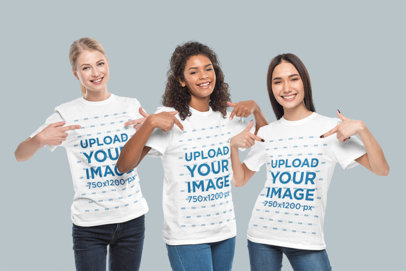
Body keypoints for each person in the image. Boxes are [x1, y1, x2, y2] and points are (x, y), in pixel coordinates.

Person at [229, 53, 389, 271]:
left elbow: (381, 169)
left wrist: (362, 128)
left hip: (306, 240)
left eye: (293, 78)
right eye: (278, 81)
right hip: (262, 234)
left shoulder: (329, 129)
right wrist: (232, 146)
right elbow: (240, 180)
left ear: (304, 81)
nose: (286, 88)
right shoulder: (267, 132)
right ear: (271, 88)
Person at [117, 41, 268, 271]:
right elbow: (124, 166)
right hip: (187, 236)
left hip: (225, 231)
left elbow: (271, 146)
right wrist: (149, 123)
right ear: (181, 80)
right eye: (193, 71)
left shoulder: (226, 117)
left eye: (208, 68)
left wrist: (256, 110)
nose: (203, 76)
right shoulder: (168, 118)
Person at [14, 37, 148, 271]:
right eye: (86, 67)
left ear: (108, 64)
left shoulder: (130, 105)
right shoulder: (66, 113)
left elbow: (154, 151)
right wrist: (38, 140)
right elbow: (19, 155)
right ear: (76, 74)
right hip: (89, 225)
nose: (95, 73)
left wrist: (150, 128)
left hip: (131, 219)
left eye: (100, 64)